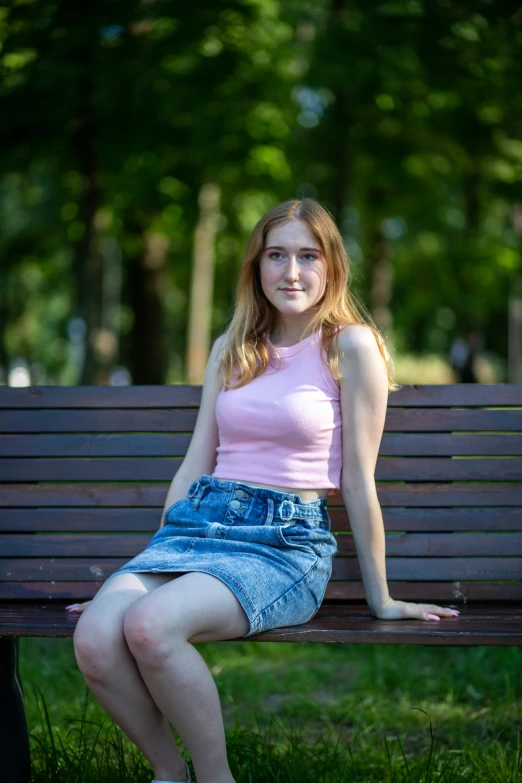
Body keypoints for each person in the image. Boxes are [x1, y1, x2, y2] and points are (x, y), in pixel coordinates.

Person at [67, 198, 460, 783]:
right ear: (256, 266)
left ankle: (217, 777)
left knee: (150, 625)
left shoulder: (348, 347)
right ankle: (168, 775)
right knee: (98, 634)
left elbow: (358, 477)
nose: (292, 272)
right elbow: (195, 462)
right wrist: (144, 570)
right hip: (198, 526)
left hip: (283, 543)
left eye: (308, 256)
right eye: (277, 255)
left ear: (332, 267)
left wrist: (382, 599)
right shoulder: (234, 348)